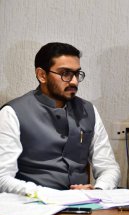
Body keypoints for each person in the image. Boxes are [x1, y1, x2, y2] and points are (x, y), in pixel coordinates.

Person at [0, 42, 120, 195]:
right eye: (65, 73)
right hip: (34, 205)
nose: (74, 81)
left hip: (82, 205)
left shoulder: (88, 110)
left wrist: (97, 190)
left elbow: (108, 167)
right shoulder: (12, 113)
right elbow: (2, 177)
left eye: (77, 74)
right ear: (42, 75)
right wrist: (50, 195)